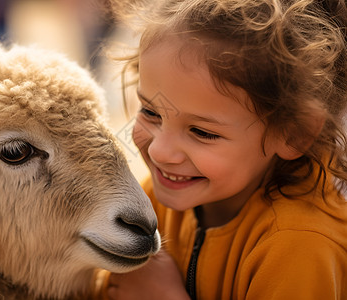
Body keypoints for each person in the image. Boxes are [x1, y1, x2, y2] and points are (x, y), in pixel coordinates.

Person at [93, 0, 347, 299]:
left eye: (202, 132)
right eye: (151, 112)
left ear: (293, 134)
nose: (160, 152)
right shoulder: (159, 195)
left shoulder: (301, 246)